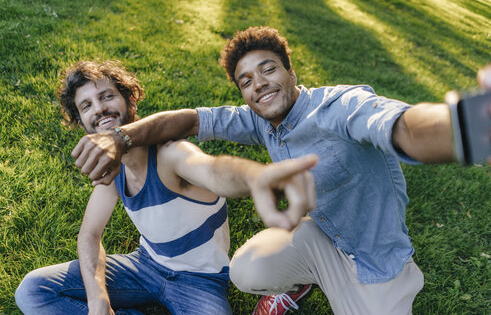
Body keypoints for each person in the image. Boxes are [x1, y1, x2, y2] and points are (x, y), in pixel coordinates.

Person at [69, 27, 491, 315]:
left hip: (376, 261)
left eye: (268, 69)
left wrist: (464, 126)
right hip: (321, 236)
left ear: (291, 71)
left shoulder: (338, 106)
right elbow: (191, 121)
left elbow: (399, 127)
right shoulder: (260, 119)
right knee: (246, 270)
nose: (259, 85)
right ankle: (296, 287)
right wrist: (122, 139)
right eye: (246, 81)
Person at [14, 60, 318, 315]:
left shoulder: (170, 154)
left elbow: (213, 171)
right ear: (82, 123)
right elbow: (90, 235)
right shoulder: (112, 170)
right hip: (144, 267)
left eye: (107, 97)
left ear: (130, 101)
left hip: (201, 282)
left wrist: (255, 177)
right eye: (87, 106)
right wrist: (98, 299)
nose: (100, 109)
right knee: (32, 291)